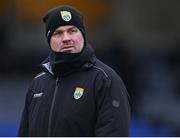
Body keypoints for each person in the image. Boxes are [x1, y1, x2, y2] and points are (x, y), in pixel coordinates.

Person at [18, 5, 130, 137]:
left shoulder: (105, 79)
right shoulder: (38, 83)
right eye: (58, 33)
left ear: (82, 35)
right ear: (49, 40)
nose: (66, 38)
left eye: (72, 31)